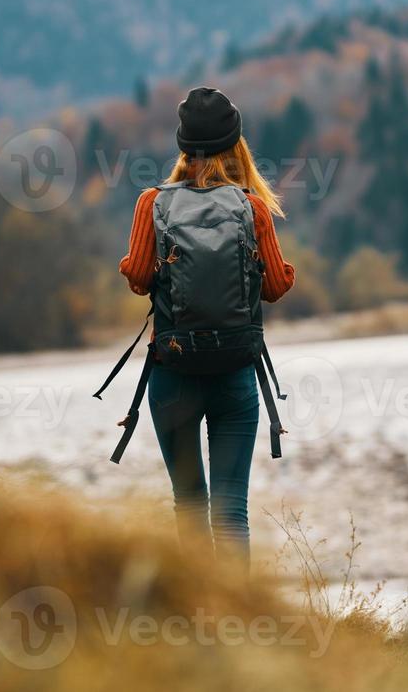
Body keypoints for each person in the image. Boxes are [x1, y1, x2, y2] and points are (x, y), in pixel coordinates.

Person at [118, 87, 295, 571]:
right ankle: (236, 624)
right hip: (235, 375)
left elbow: (136, 278)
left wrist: (144, 266)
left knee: (189, 507)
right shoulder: (251, 207)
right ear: (235, 144)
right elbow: (276, 287)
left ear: (182, 146)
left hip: (172, 374)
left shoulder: (152, 203)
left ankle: (197, 626)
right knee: (231, 513)